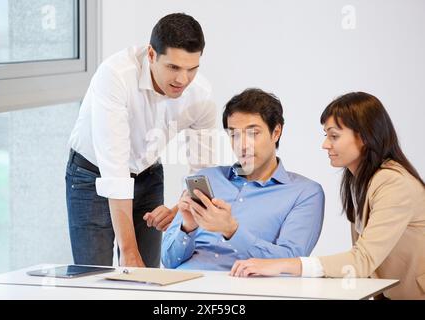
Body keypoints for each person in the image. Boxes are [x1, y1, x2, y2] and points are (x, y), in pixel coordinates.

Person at [230, 92, 425, 300]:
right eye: (326, 135)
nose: (325, 145)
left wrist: (281, 264)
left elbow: (363, 259)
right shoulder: (361, 180)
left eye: (334, 136)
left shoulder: (393, 183)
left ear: (365, 137)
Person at [65, 13, 217, 268]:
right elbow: (115, 169)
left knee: (147, 278)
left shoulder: (200, 95)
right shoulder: (115, 75)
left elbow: (201, 170)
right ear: (151, 55)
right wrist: (128, 250)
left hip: (148, 174)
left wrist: (178, 208)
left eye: (192, 69)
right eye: (173, 67)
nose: (182, 80)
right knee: (93, 278)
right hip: (92, 175)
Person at [161, 88, 324, 270]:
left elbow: (290, 263)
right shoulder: (207, 178)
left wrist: (231, 230)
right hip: (182, 287)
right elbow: (168, 261)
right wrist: (187, 227)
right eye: (234, 134)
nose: (242, 145)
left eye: (253, 133)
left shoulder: (305, 193)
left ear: (276, 132)